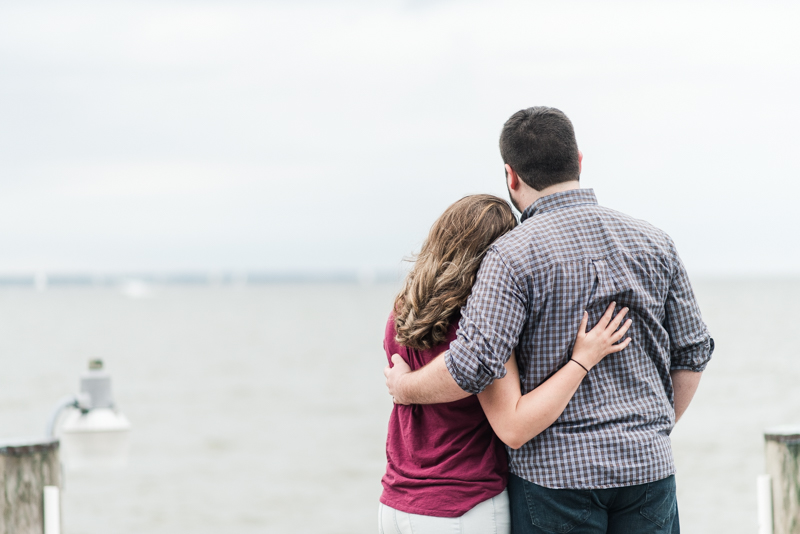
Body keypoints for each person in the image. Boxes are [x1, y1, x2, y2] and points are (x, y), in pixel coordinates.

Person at [385, 107, 714, 533]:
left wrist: (405, 387)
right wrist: (649, 428)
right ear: (578, 160)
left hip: (555, 478)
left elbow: (474, 365)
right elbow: (693, 352)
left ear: (511, 177)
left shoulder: (511, 256)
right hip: (647, 469)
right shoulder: (655, 242)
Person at [379, 194, 633, 534]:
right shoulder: (480, 332)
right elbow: (515, 424)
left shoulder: (401, 314)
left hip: (396, 504)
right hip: (463, 506)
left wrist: (406, 388)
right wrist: (582, 360)